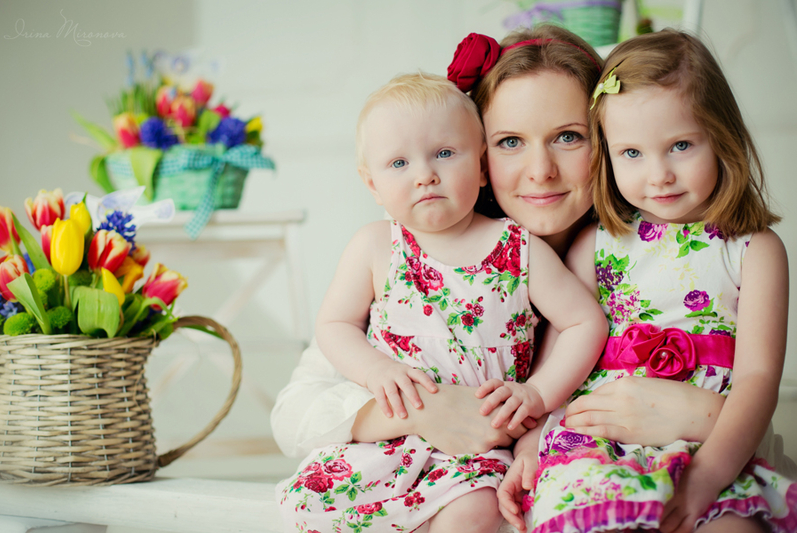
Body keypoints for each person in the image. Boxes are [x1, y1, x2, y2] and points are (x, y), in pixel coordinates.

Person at [271, 24, 790, 531]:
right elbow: (294, 413)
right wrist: (420, 411)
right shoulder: (415, 253)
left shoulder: (661, 252)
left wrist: (704, 414)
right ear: (478, 153)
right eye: (510, 141)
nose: (541, 170)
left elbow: (750, 398)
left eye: (568, 137)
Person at [276, 71, 608, 533]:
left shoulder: (518, 247)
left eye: (445, 154)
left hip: (476, 445)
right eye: (398, 163)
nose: (425, 175)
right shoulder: (376, 246)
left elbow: (585, 323)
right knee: (306, 502)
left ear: (482, 165)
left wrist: (536, 393)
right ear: (372, 185)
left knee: (474, 512)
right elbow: (335, 325)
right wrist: (375, 370)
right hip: (390, 436)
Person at [515, 29, 797, 533]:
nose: (659, 174)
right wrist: (528, 448)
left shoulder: (754, 251)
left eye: (680, 145)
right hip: (599, 442)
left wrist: (709, 475)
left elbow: (758, 380)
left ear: (721, 137)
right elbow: (558, 366)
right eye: (632, 153)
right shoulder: (594, 245)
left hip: (712, 442)